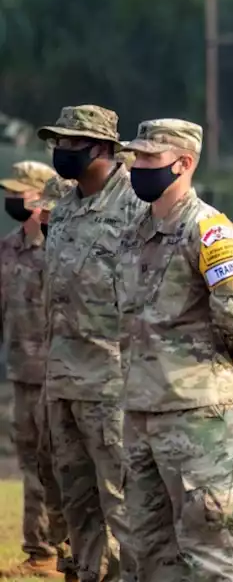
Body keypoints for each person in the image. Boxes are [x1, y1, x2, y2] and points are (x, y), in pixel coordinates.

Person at [115, 119, 233, 581]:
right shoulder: (134, 232)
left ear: (183, 163)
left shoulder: (210, 230)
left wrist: (213, 370)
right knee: (148, 551)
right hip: (142, 410)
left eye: (149, 159)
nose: (137, 166)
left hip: (198, 415)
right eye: (135, 157)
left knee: (210, 550)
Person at [38, 105, 144, 582]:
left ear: (103, 149)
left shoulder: (136, 207)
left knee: (121, 502)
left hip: (113, 381)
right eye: (57, 143)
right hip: (61, 378)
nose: (61, 152)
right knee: (74, 501)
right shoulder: (64, 205)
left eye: (72, 144)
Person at [0, 164, 71, 579]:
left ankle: (73, 549)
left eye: (18, 192)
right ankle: (40, 552)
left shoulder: (64, 247)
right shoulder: (7, 250)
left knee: (65, 467)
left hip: (63, 375)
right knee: (32, 465)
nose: (12, 199)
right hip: (23, 376)